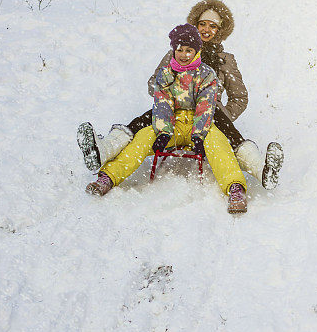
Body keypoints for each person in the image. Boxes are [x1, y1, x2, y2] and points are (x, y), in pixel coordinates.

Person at [77, 0, 283, 189]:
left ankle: (262, 170)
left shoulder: (225, 59)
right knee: (139, 124)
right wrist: (170, 92)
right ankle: (103, 151)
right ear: (196, 24)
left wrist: (224, 113)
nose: (207, 29)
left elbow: (240, 97)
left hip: (209, 111)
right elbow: (154, 82)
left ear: (220, 31)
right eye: (203, 24)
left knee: (232, 137)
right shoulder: (179, 49)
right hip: (173, 107)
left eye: (213, 26)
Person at [86, 23, 249, 214]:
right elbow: (162, 105)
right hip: (173, 123)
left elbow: (206, 106)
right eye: (180, 49)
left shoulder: (207, 74)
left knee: (218, 144)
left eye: (189, 50)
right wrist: (163, 132)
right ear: (174, 49)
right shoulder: (166, 74)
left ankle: (235, 188)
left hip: (201, 124)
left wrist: (199, 134)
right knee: (143, 137)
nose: (184, 54)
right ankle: (108, 177)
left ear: (197, 51)